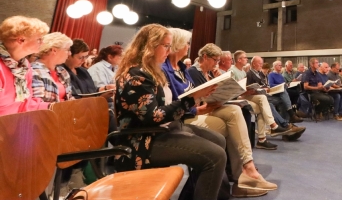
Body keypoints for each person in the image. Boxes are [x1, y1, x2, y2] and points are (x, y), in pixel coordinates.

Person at [115, 24, 227, 200]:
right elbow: (154, 116)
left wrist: (197, 98)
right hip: (142, 141)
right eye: (166, 45)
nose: (169, 50)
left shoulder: (153, 71)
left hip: (164, 130)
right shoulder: (137, 76)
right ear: (150, 46)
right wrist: (192, 98)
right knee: (215, 156)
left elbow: (167, 105)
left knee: (218, 140)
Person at [163, 31, 275, 197]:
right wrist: (199, 107)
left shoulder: (181, 70)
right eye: (215, 60)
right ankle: (243, 173)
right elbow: (187, 100)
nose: (188, 47)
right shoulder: (185, 71)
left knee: (236, 111)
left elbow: (196, 96)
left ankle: (245, 170)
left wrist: (218, 85)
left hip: (198, 110)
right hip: (187, 116)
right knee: (232, 122)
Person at [0, 16, 50, 115]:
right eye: (39, 39)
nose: (42, 42)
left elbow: (25, 105)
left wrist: (52, 107)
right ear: (21, 40)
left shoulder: (24, 67)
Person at [63, 39, 116, 132]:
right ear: (68, 56)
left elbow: (92, 89)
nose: (83, 61)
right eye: (80, 57)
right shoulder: (63, 72)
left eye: (85, 57)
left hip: (93, 104)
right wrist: (99, 97)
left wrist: (105, 88)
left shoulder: (82, 71)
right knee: (110, 114)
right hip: (80, 109)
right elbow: (76, 97)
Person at [31, 32, 74, 102]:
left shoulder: (62, 71)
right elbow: (37, 103)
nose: (70, 53)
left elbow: (70, 98)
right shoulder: (34, 71)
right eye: (67, 50)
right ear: (54, 50)